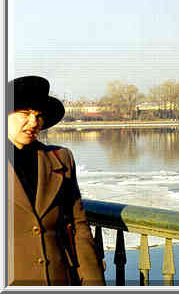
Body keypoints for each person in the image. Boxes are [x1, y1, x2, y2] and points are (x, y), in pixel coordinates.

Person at [7, 75, 106, 286]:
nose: (33, 122)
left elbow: (79, 226)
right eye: (24, 113)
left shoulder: (61, 159)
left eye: (38, 115)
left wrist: (94, 283)